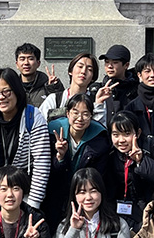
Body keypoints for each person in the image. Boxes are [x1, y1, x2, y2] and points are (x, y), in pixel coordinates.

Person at [0, 69, 51, 210]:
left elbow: (41, 164)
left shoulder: (33, 116)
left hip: (21, 196)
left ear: (16, 91)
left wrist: (32, 205)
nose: (1, 97)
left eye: (6, 91)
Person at [45, 95, 114, 228]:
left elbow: (98, 176)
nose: (80, 118)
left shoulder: (99, 138)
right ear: (67, 113)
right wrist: (60, 156)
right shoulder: (52, 132)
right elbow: (47, 172)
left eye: (85, 114)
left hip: (83, 196)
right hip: (55, 195)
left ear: (91, 116)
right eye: (75, 113)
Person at [106, 111, 154, 230]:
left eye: (127, 134)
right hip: (121, 208)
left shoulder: (152, 145)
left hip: (151, 206)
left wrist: (142, 161)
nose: (121, 140)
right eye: (116, 134)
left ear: (138, 132)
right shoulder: (110, 152)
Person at [38, 52, 101, 122]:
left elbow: (101, 129)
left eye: (89, 69)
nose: (83, 71)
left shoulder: (96, 101)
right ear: (70, 71)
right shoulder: (54, 99)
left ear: (93, 77)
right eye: (80, 66)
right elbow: (40, 123)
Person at [91, 44, 138, 117]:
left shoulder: (136, 90)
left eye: (115, 62)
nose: (109, 66)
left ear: (126, 65)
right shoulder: (98, 90)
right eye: (107, 62)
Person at [16, 42, 61, 108]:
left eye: (30, 59)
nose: (26, 63)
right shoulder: (13, 86)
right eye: (22, 59)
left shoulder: (47, 85)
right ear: (17, 64)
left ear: (38, 63)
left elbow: (61, 106)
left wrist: (54, 87)